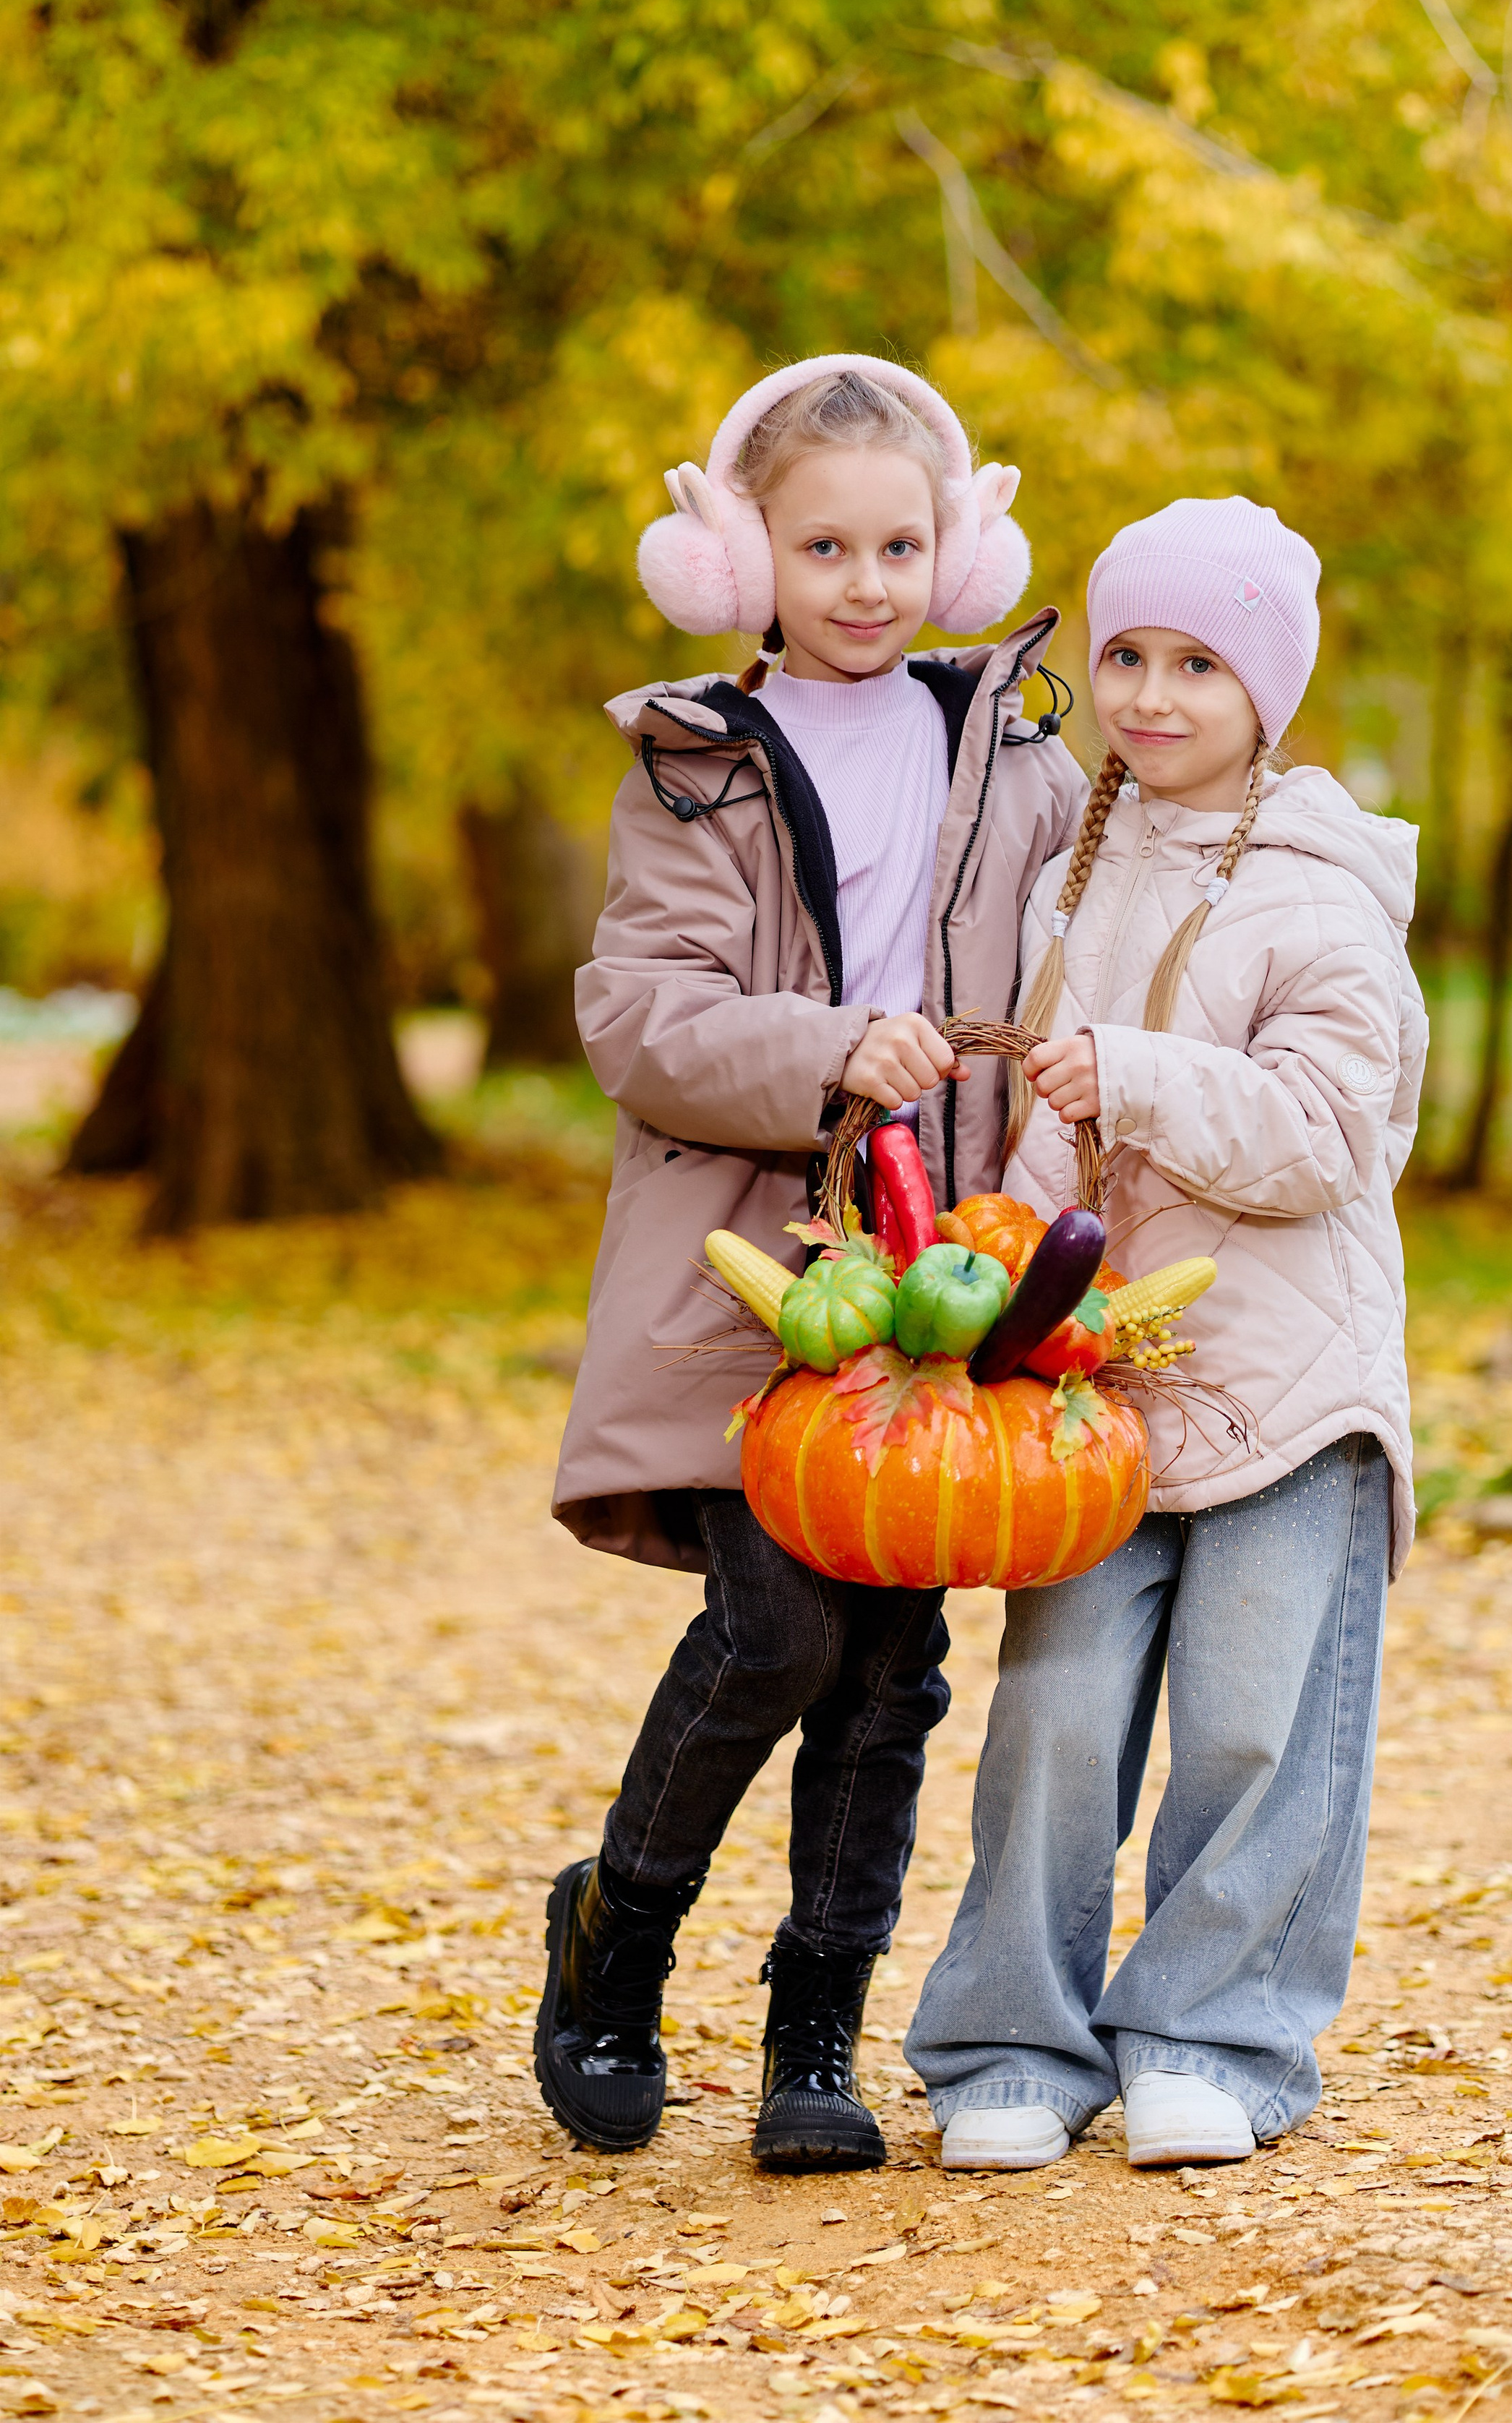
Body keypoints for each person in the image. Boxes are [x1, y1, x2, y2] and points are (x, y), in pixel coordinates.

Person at [538, 356, 1090, 2174]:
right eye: (823, 544)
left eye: (898, 543)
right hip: (765, 1262)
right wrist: (824, 1049)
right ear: (740, 559)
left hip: (953, 1268)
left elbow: (1084, 957)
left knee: (888, 1664)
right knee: (772, 1625)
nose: (863, 581)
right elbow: (639, 1016)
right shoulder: (692, 766)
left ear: (955, 550)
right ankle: (614, 1947)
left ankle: (815, 2038)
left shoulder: (1010, 750)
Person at [905, 496, 1427, 2173]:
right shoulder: (1075, 879)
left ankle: (1220, 2032)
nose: (1148, 692)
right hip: (1096, 1389)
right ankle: (1010, 2038)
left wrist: (1132, 1080)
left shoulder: (1319, 892)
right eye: (1123, 653)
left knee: (1254, 1716)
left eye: (1196, 662)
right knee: (1055, 1710)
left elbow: (1329, 1135)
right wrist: (984, 1292)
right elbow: (1040, 1147)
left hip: (1283, 1391)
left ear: (1264, 688)